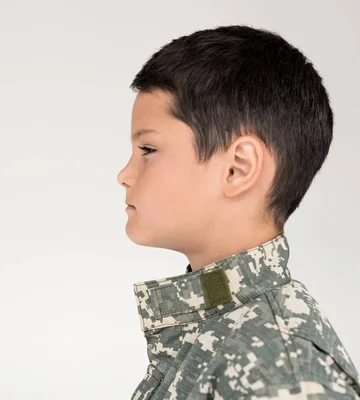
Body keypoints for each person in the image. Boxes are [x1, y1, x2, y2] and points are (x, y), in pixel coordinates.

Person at [117, 25, 360, 399]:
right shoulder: (220, 326)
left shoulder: (282, 374)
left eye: (148, 150)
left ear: (237, 168)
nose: (124, 175)